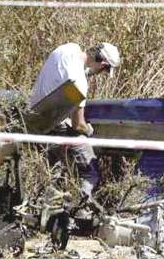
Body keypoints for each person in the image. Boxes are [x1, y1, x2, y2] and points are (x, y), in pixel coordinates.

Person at [29, 42, 121, 200]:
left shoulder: (68, 49)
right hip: (54, 126)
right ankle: (78, 207)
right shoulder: (78, 83)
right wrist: (89, 131)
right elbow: (77, 124)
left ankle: (45, 202)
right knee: (90, 172)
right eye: (105, 70)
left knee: (52, 172)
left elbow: (64, 77)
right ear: (103, 64)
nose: (101, 73)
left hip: (34, 118)